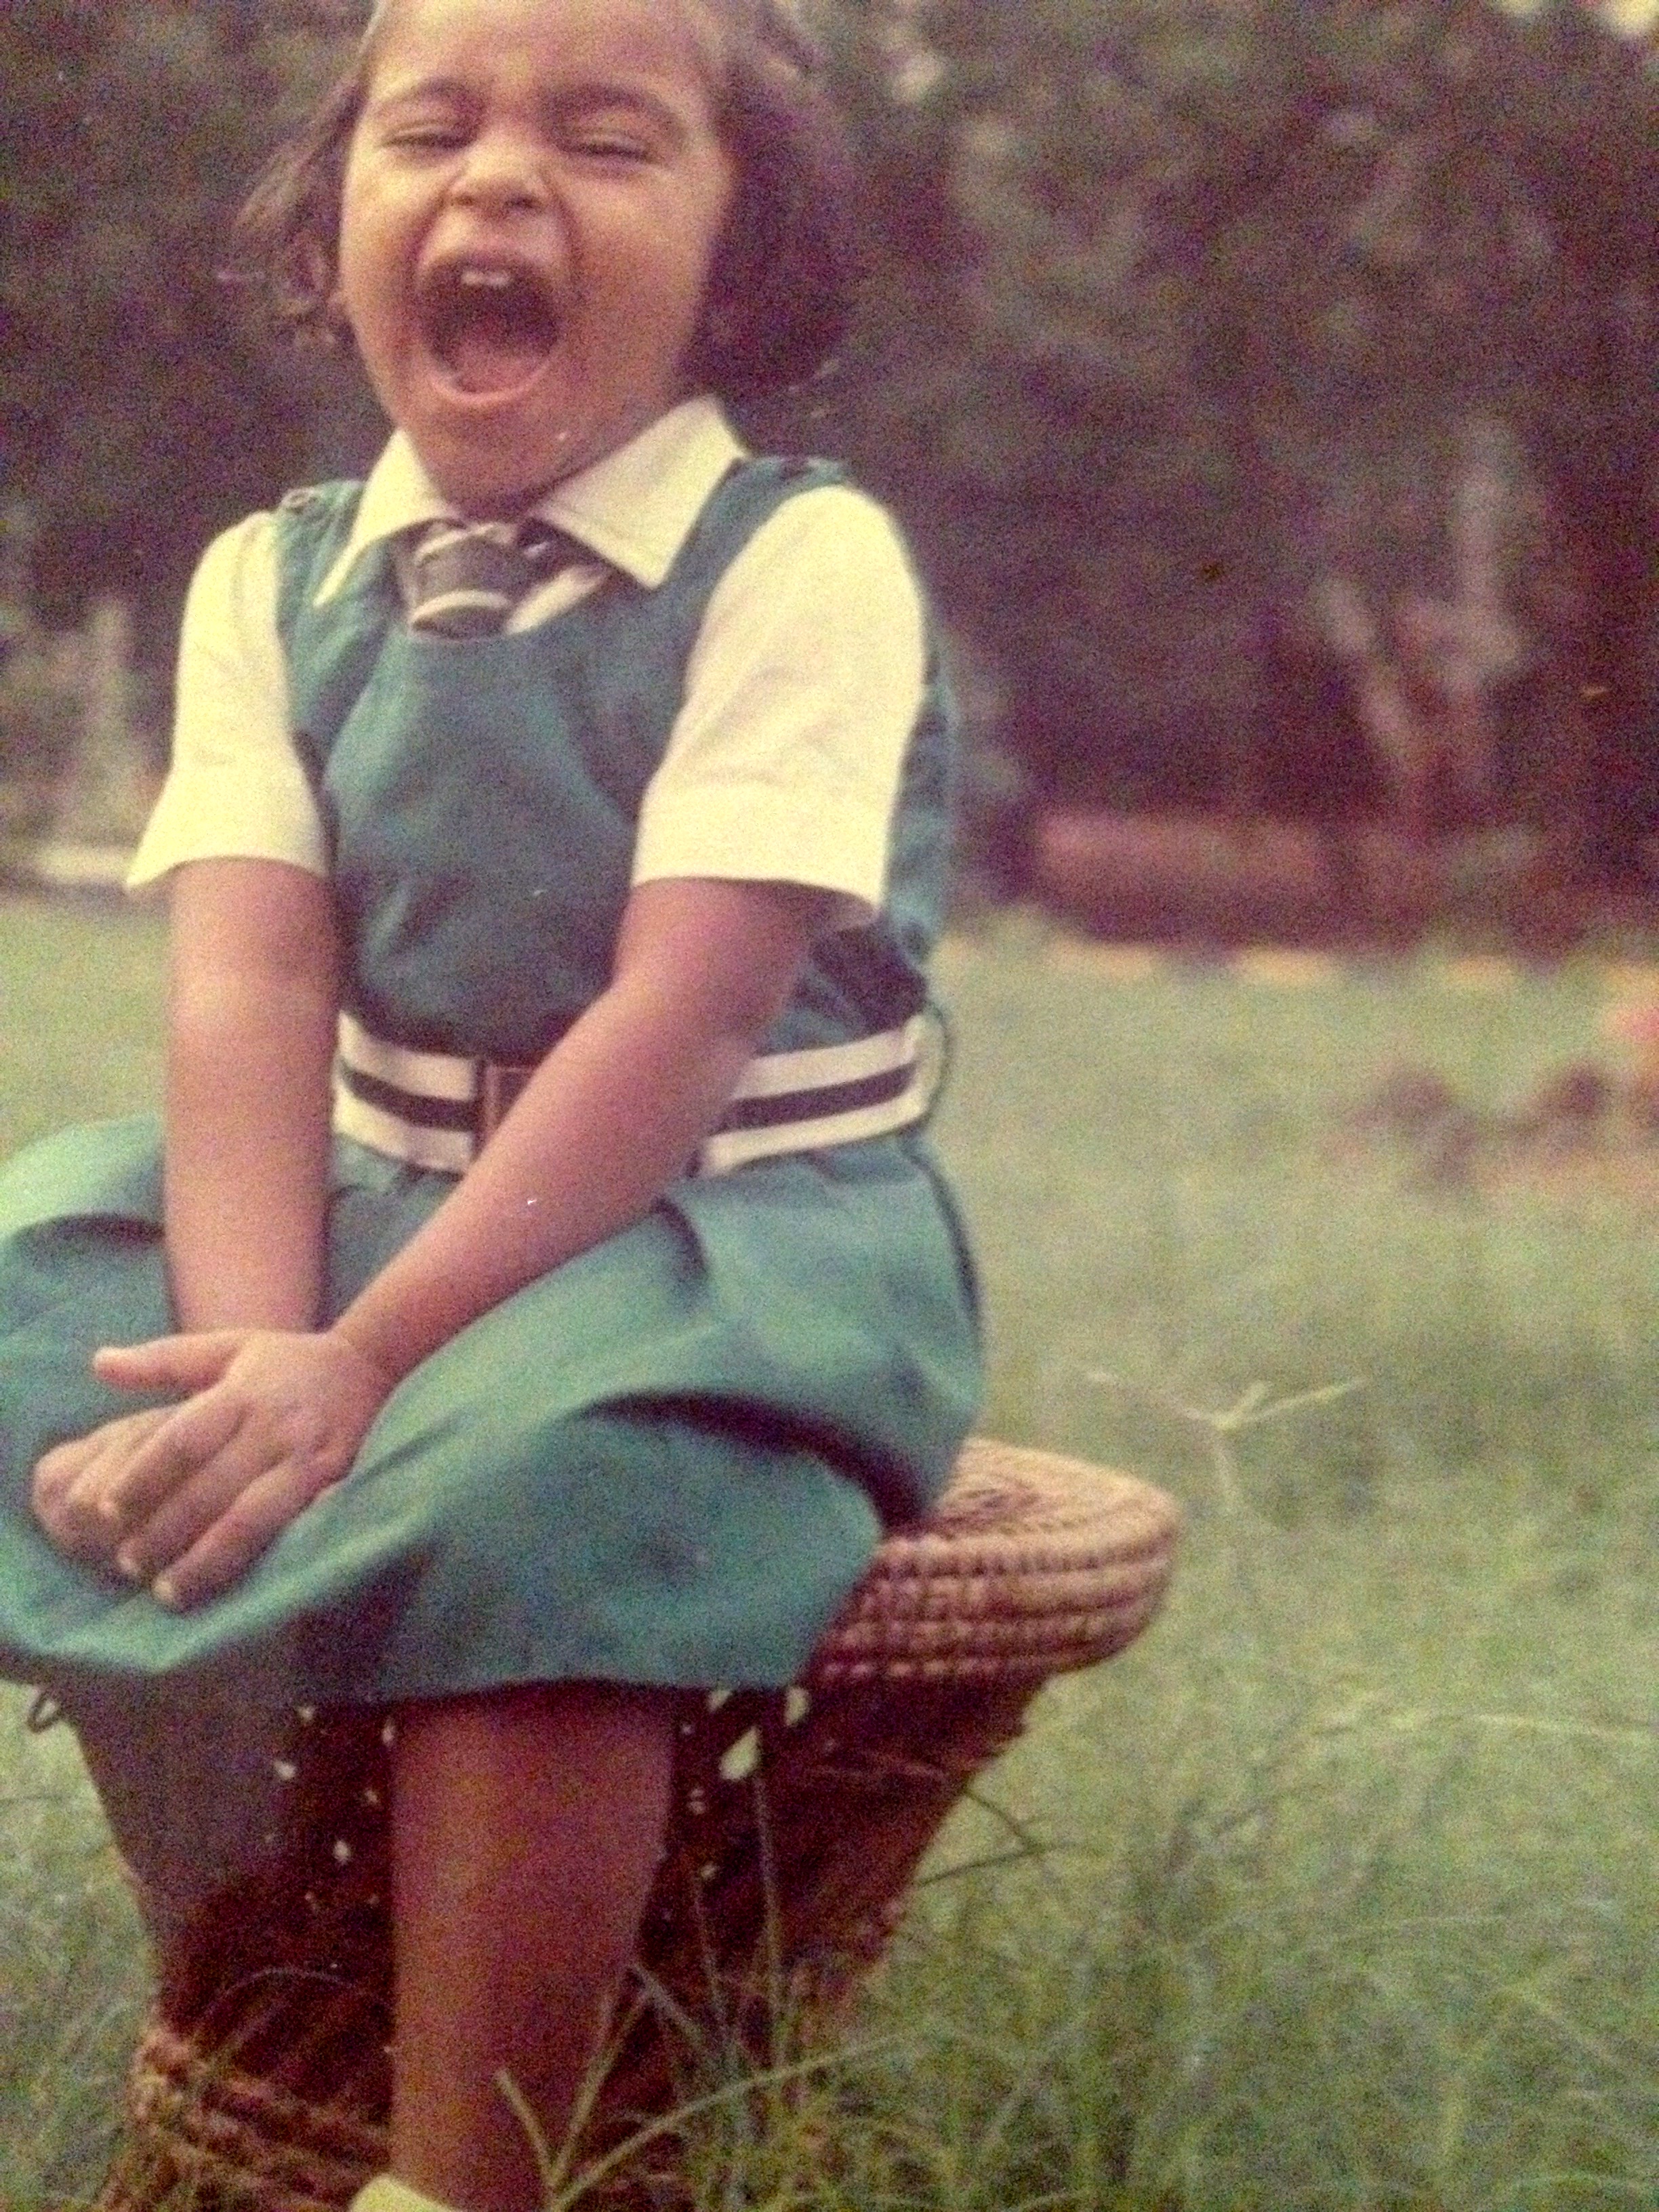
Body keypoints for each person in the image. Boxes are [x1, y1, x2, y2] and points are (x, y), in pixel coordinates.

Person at [0, 2, 981, 2207]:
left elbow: (683, 1026)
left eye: (606, 141)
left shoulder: (799, 562)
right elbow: (252, 979)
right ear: (333, 227)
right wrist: (257, 1354)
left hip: (720, 1230)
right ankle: (263, 1969)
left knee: (551, 1494)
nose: (497, 181)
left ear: (740, 268)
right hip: (370, 1199)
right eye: (426, 129)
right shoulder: (276, 576)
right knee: (43, 1326)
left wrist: (363, 1360)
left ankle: (457, 2176)